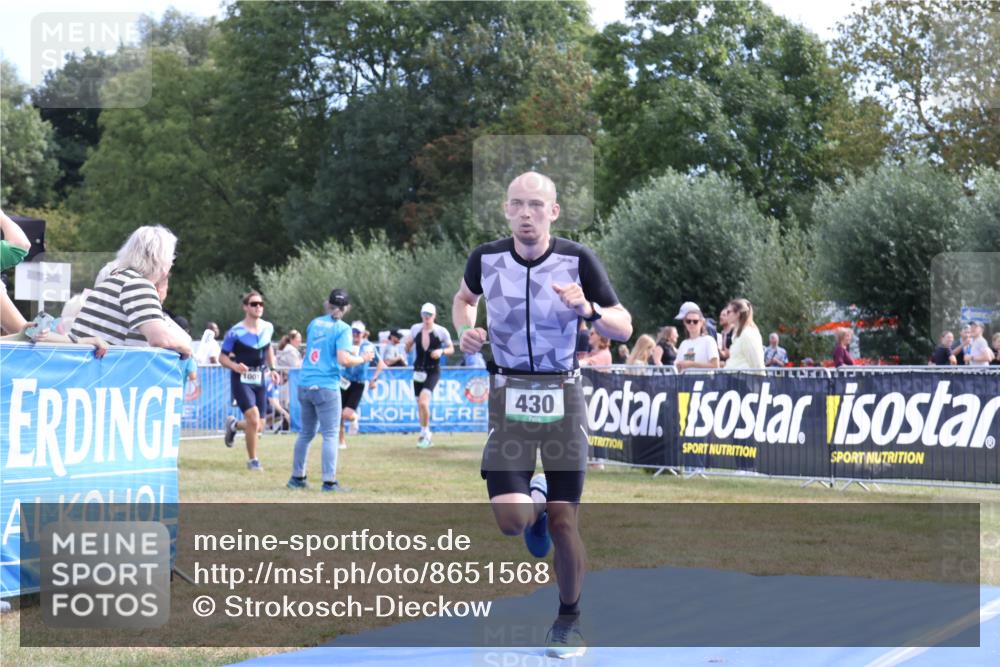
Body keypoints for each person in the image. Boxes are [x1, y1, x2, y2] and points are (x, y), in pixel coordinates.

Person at [453, 170, 633, 659]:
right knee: (512, 521)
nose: (526, 213)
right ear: (506, 211)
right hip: (508, 398)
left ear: (553, 211)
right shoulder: (485, 258)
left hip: (562, 398)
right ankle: (534, 498)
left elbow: (623, 325)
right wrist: (467, 329)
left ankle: (568, 622)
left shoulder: (577, 259)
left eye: (536, 205)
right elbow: (464, 300)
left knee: (564, 522)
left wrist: (589, 310)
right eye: (517, 204)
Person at [288, 288, 373, 492]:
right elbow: (344, 360)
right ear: (347, 307)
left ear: (328, 304)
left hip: (305, 382)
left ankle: (297, 477)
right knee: (330, 434)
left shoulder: (314, 323)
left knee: (306, 433)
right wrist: (363, 358)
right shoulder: (343, 329)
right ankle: (329, 482)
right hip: (326, 385)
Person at [69, 226, 192, 357]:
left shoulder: (114, 279)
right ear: (162, 261)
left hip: (85, 364)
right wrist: (188, 350)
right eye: (171, 259)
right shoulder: (137, 285)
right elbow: (160, 339)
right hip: (104, 367)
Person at [219, 290, 280, 472]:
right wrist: (235, 366)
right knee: (253, 418)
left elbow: (268, 348)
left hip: (260, 378)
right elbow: (222, 358)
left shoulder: (268, 327)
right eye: (254, 304)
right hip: (241, 379)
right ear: (245, 307)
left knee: (259, 426)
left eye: (261, 304)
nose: (258, 307)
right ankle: (253, 460)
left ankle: (234, 425)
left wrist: (273, 369)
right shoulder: (235, 332)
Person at [404, 302, 454, 449]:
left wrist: (441, 351)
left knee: (423, 403)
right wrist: (407, 345)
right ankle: (423, 433)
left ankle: (427, 434)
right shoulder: (415, 329)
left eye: (430, 315)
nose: (427, 317)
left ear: (434, 316)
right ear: (421, 315)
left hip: (433, 370)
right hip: (418, 370)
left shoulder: (441, 331)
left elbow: (451, 348)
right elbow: (407, 349)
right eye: (425, 314)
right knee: (419, 404)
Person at [339, 321, 386, 449]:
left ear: (363, 334)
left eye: (358, 332)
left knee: (346, 414)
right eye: (353, 332)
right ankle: (341, 441)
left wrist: (374, 379)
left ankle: (354, 417)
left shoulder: (369, 347)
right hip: (344, 381)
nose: (355, 335)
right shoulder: (346, 344)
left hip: (358, 384)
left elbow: (380, 363)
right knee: (338, 414)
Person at [674, 302, 720, 371]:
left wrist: (691, 364)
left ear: (701, 322)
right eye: (688, 321)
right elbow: (677, 366)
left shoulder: (709, 340)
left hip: (703, 377)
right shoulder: (683, 343)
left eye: (695, 321)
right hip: (685, 377)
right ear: (684, 323)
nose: (691, 323)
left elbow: (715, 366)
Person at [724, 298, 765, 370]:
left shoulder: (748, 333)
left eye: (728, 312)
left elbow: (757, 362)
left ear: (738, 314)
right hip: (733, 374)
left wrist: (761, 376)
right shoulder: (737, 334)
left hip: (744, 376)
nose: (726, 314)